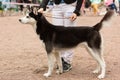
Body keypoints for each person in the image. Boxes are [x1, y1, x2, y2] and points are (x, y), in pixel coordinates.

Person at [38, 0, 83, 72]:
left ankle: (67, 61)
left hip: (70, 7)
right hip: (56, 7)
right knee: (58, 36)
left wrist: (76, 11)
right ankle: (61, 60)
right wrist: (42, 6)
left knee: (69, 36)